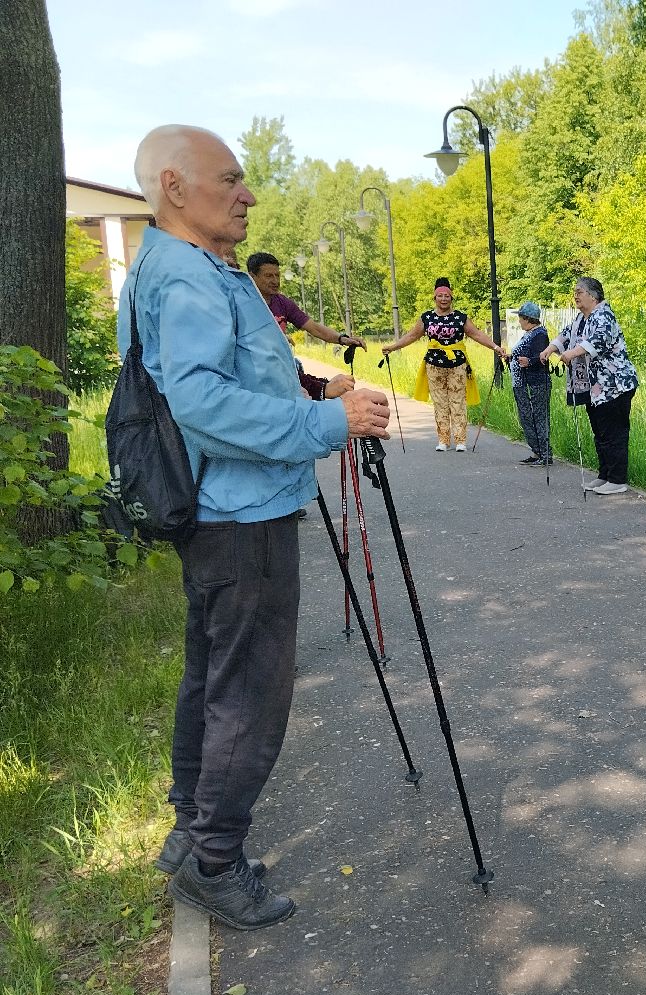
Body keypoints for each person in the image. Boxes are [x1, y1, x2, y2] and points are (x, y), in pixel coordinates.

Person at [125, 125, 391, 930]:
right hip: (242, 518)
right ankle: (213, 862)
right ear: (176, 187)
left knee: (210, 675)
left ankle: (188, 832)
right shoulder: (189, 276)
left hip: (221, 516)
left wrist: (309, 384)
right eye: (230, 180)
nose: (246, 195)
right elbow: (203, 406)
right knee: (250, 694)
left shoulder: (184, 265)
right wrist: (329, 424)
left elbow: (233, 370)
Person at [541, 277, 639, 494]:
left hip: (614, 385)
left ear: (593, 296)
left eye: (580, 291)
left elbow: (598, 341)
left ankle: (617, 479)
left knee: (614, 432)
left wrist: (570, 354)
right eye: (575, 291)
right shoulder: (581, 318)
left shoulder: (604, 315)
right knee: (600, 431)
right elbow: (566, 334)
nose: (575, 295)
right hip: (595, 388)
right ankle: (604, 475)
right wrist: (550, 349)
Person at [381, 278, 502, 452]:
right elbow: (411, 336)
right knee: (440, 404)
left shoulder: (461, 318)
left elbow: (477, 335)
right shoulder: (427, 318)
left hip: (457, 365)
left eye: (447, 296)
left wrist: (496, 348)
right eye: (440, 296)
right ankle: (443, 440)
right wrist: (392, 347)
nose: (443, 299)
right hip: (434, 366)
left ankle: (461, 440)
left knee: (458, 402)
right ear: (435, 297)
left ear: (451, 298)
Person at [245, 251, 358, 402]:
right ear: (252, 277)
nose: (275, 281)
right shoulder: (244, 303)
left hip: (281, 367)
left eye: (277, 275)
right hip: (255, 373)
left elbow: (314, 328)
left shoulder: (282, 302)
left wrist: (342, 339)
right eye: (268, 276)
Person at [509, 301, 553, 465]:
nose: (519, 321)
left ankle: (545, 454)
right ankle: (536, 451)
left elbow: (542, 357)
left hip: (536, 383)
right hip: (522, 383)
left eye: (520, 318)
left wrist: (530, 361)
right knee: (526, 417)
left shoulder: (540, 334)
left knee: (539, 417)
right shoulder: (528, 334)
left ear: (527, 318)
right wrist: (511, 358)